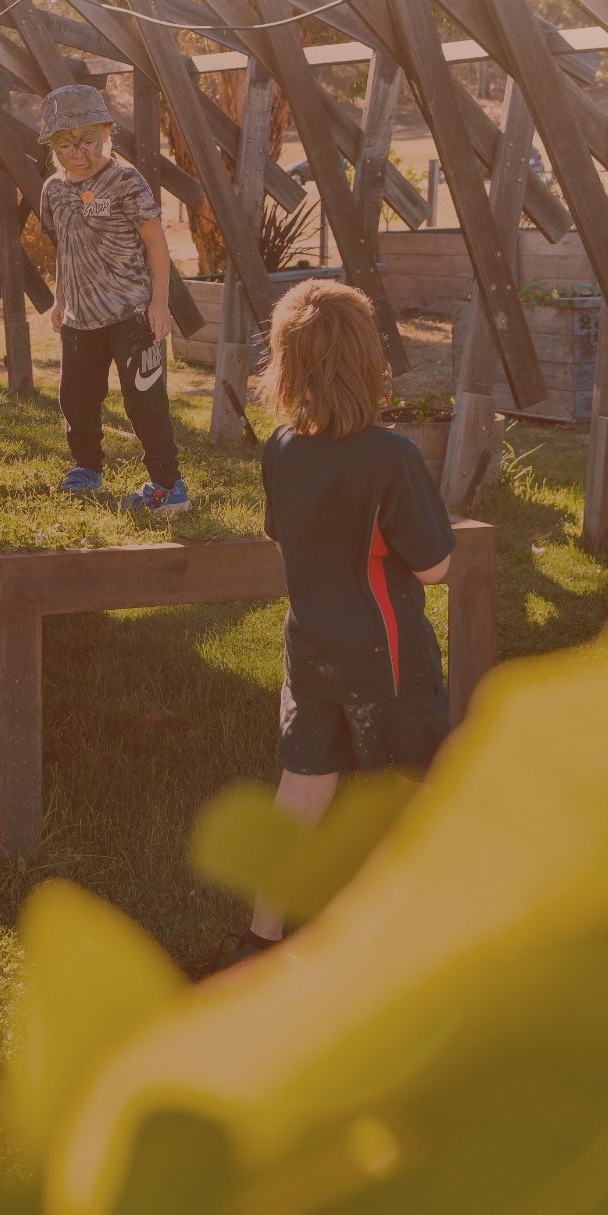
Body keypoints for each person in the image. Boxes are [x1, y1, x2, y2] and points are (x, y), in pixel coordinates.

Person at [225, 279, 454, 965]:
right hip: (386, 654)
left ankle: (260, 937)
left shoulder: (282, 449)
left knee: (304, 787)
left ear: (286, 367)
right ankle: (406, 941)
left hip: (309, 645)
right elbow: (437, 566)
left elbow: (280, 538)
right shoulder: (394, 458)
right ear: (370, 363)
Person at [37, 84, 187, 512]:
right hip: (81, 318)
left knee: (144, 399)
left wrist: (159, 304)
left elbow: (157, 244)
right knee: (76, 398)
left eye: (87, 140)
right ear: (52, 145)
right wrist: (60, 298)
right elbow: (64, 246)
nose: (77, 152)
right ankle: (86, 468)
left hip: (132, 314)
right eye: (65, 144)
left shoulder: (125, 180)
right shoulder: (54, 190)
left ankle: (167, 484)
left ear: (106, 132)